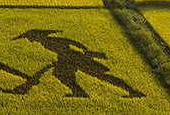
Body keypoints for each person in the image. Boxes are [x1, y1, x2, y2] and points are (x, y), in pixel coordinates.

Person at [13, 30, 145, 98]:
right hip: (68, 59)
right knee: (60, 75)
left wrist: (86, 51)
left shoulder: (50, 41)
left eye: (32, 37)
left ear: (39, 36)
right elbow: (69, 45)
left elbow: (70, 43)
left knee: (101, 76)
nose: (30, 40)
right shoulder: (46, 43)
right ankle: (78, 92)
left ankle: (132, 91)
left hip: (74, 58)